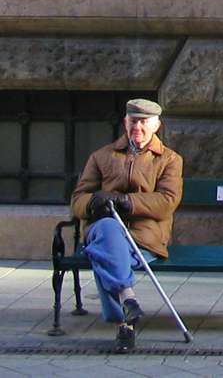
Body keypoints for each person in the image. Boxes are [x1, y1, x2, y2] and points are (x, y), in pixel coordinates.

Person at [71, 99, 183, 353]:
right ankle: (127, 301)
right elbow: (78, 199)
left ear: (156, 125)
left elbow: (167, 201)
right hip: (104, 229)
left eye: (144, 122)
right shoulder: (101, 156)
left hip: (143, 239)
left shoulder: (169, 160)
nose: (138, 128)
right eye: (134, 121)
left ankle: (124, 319)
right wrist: (94, 204)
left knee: (105, 255)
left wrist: (125, 201)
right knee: (109, 232)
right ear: (125, 122)